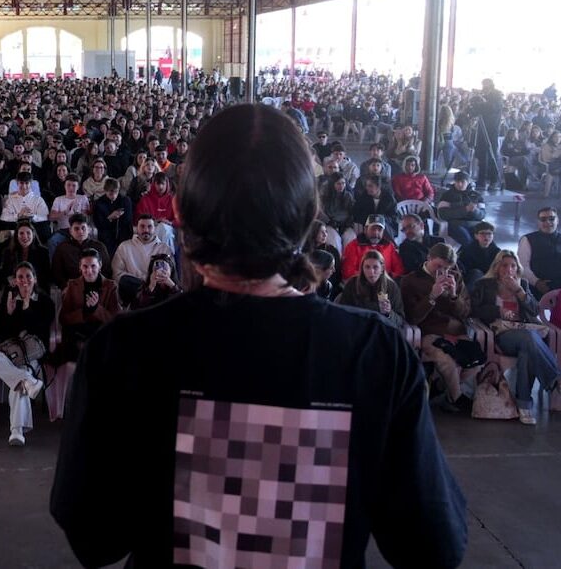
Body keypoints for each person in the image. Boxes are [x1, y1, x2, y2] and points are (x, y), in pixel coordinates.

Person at [51, 104, 466, 569]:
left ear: (181, 214)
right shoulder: (375, 353)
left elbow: (95, 538)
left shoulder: (124, 350)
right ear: (309, 216)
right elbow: (433, 545)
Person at [470, 250, 561, 425]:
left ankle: (524, 406)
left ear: (517, 268)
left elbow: (535, 310)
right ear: (497, 267)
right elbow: (474, 310)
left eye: (513, 266)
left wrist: (519, 291)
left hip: (524, 333)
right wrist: (499, 311)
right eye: (505, 265)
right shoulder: (485, 284)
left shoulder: (522, 284)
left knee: (527, 351)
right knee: (529, 339)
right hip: (501, 335)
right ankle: (555, 379)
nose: (509, 269)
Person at [0, 262, 54, 447]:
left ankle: (17, 431)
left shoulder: (45, 301)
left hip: (31, 352)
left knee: (19, 380)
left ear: (35, 279)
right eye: (20, 277)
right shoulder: (9, 297)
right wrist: (9, 314)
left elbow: (42, 331)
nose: (24, 281)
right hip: (9, 349)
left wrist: (27, 308)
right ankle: (29, 381)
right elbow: (1, 333)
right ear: (15, 280)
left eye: (28, 277)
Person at [401, 243, 477, 413]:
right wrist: (431, 297)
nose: (442, 272)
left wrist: (454, 296)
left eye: (447, 268)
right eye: (438, 266)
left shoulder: (455, 277)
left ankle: (442, 388)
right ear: (429, 258)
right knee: (446, 361)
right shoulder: (411, 280)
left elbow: (465, 312)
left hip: (455, 331)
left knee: (475, 360)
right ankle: (456, 398)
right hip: (429, 331)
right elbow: (412, 317)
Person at [55, 248, 120, 367]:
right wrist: (85, 311)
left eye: (93, 266)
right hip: (78, 332)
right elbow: (63, 318)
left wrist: (96, 309)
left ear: (100, 265)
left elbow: (116, 319)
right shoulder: (72, 285)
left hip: (101, 332)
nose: (89, 271)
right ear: (80, 267)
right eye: (85, 266)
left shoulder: (111, 286)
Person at [112, 214, 174, 304]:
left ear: (155, 228)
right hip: (133, 292)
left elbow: (170, 274)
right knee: (125, 281)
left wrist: (152, 283)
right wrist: (144, 283)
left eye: (149, 226)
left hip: (157, 292)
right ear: (136, 228)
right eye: (142, 226)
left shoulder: (165, 249)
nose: (146, 230)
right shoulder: (124, 247)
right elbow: (117, 274)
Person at [338, 250, 406, 329]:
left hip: (381, 329)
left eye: (375, 267)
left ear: (382, 268)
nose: (371, 272)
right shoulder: (352, 284)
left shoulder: (391, 287)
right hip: (357, 328)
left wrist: (389, 313)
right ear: (362, 268)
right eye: (367, 267)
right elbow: (343, 311)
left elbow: (400, 320)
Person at [51, 213, 110, 290]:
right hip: (71, 288)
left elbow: (106, 270)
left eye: (83, 228)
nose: (80, 232)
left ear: (88, 229)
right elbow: (57, 273)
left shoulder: (99, 247)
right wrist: (68, 289)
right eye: (76, 229)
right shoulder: (62, 248)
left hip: (97, 287)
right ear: (70, 230)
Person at [339, 214, 405, 281]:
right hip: (360, 284)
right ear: (365, 229)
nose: (376, 233)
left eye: (379, 230)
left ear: (383, 232)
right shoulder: (353, 246)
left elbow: (399, 270)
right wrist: (370, 278)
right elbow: (348, 272)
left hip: (386, 283)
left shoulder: (389, 246)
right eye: (373, 229)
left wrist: (386, 279)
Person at [517, 206, 561, 297]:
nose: (547, 222)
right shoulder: (527, 240)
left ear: (558, 221)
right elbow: (522, 266)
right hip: (536, 289)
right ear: (538, 222)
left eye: (551, 219)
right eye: (543, 219)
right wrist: (537, 282)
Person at [0, 221, 52, 292]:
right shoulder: (8, 252)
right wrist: (9, 279)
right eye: (21, 233)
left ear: (33, 235)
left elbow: (47, 276)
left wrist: (30, 282)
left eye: (28, 233)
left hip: (37, 290)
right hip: (15, 289)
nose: (25, 236)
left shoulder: (43, 252)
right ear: (16, 236)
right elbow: (2, 274)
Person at [437, 171, 485, 246]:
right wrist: (465, 210)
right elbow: (442, 214)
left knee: (485, 238)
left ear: (468, 182)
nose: (459, 184)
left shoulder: (476, 196)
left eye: (462, 182)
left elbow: (482, 214)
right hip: (456, 224)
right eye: (457, 182)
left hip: (473, 223)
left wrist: (475, 211)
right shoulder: (447, 195)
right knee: (467, 240)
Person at [92, 177, 133, 256]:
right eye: (111, 193)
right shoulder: (99, 204)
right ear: (105, 191)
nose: (114, 195)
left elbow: (128, 220)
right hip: (107, 236)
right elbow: (98, 223)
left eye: (116, 192)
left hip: (123, 234)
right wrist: (110, 218)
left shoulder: (125, 200)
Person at [457, 221, 500, 291]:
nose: (486, 236)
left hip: (489, 278)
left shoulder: (497, 252)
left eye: (489, 233)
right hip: (471, 278)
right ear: (476, 236)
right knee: (476, 273)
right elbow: (462, 268)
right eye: (482, 233)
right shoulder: (468, 249)